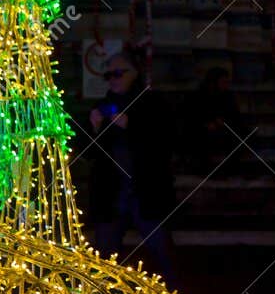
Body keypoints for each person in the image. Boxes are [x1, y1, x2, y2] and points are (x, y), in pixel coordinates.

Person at [87, 50, 176, 279]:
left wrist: (131, 126)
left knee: (161, 251)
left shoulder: (152, 103)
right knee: (106, 256)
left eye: (118, 73)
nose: (113, 79)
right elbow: (90, 153)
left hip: (145, 190)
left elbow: (166, 143)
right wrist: (95, 130)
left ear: (134, 73)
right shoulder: (103, 106)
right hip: (112, 192)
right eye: (108, 75)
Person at [183, 66, 242, 174]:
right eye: (223, 82)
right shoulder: (198, 96)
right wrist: (207, 123)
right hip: (201, 130)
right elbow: (190, 117)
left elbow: (235, 116)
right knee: (201, 136)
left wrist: (224, 122)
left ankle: (231, 169)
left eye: (227, 82)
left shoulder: (228, 96)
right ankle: (203, 169)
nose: (226, 85)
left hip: (223, 130)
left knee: (239, 134)